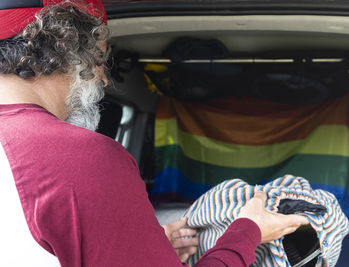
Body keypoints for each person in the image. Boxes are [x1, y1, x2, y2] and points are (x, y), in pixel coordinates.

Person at [0, 0, 309, 266]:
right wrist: (249, 231)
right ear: (66, 48)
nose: (104, 80)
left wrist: (146, 249)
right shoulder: (82, 158)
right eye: (99, 60)